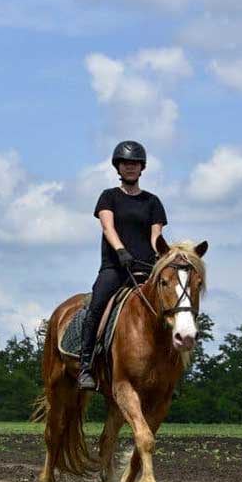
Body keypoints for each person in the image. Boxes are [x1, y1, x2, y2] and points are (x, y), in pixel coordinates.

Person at [77, 140, 167, 390]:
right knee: (96, 306)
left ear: (142, 168)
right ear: (118, 167)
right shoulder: (109, 196)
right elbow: (108, 227)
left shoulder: (153, 202)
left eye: (135, 164)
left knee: (170, 309)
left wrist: (160, 257)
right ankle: (85, 365)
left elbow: (155, 236)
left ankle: (167, 369)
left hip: (146, 269)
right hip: (115, 268)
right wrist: (121, 251)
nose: (130, 168)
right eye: (126, 163)